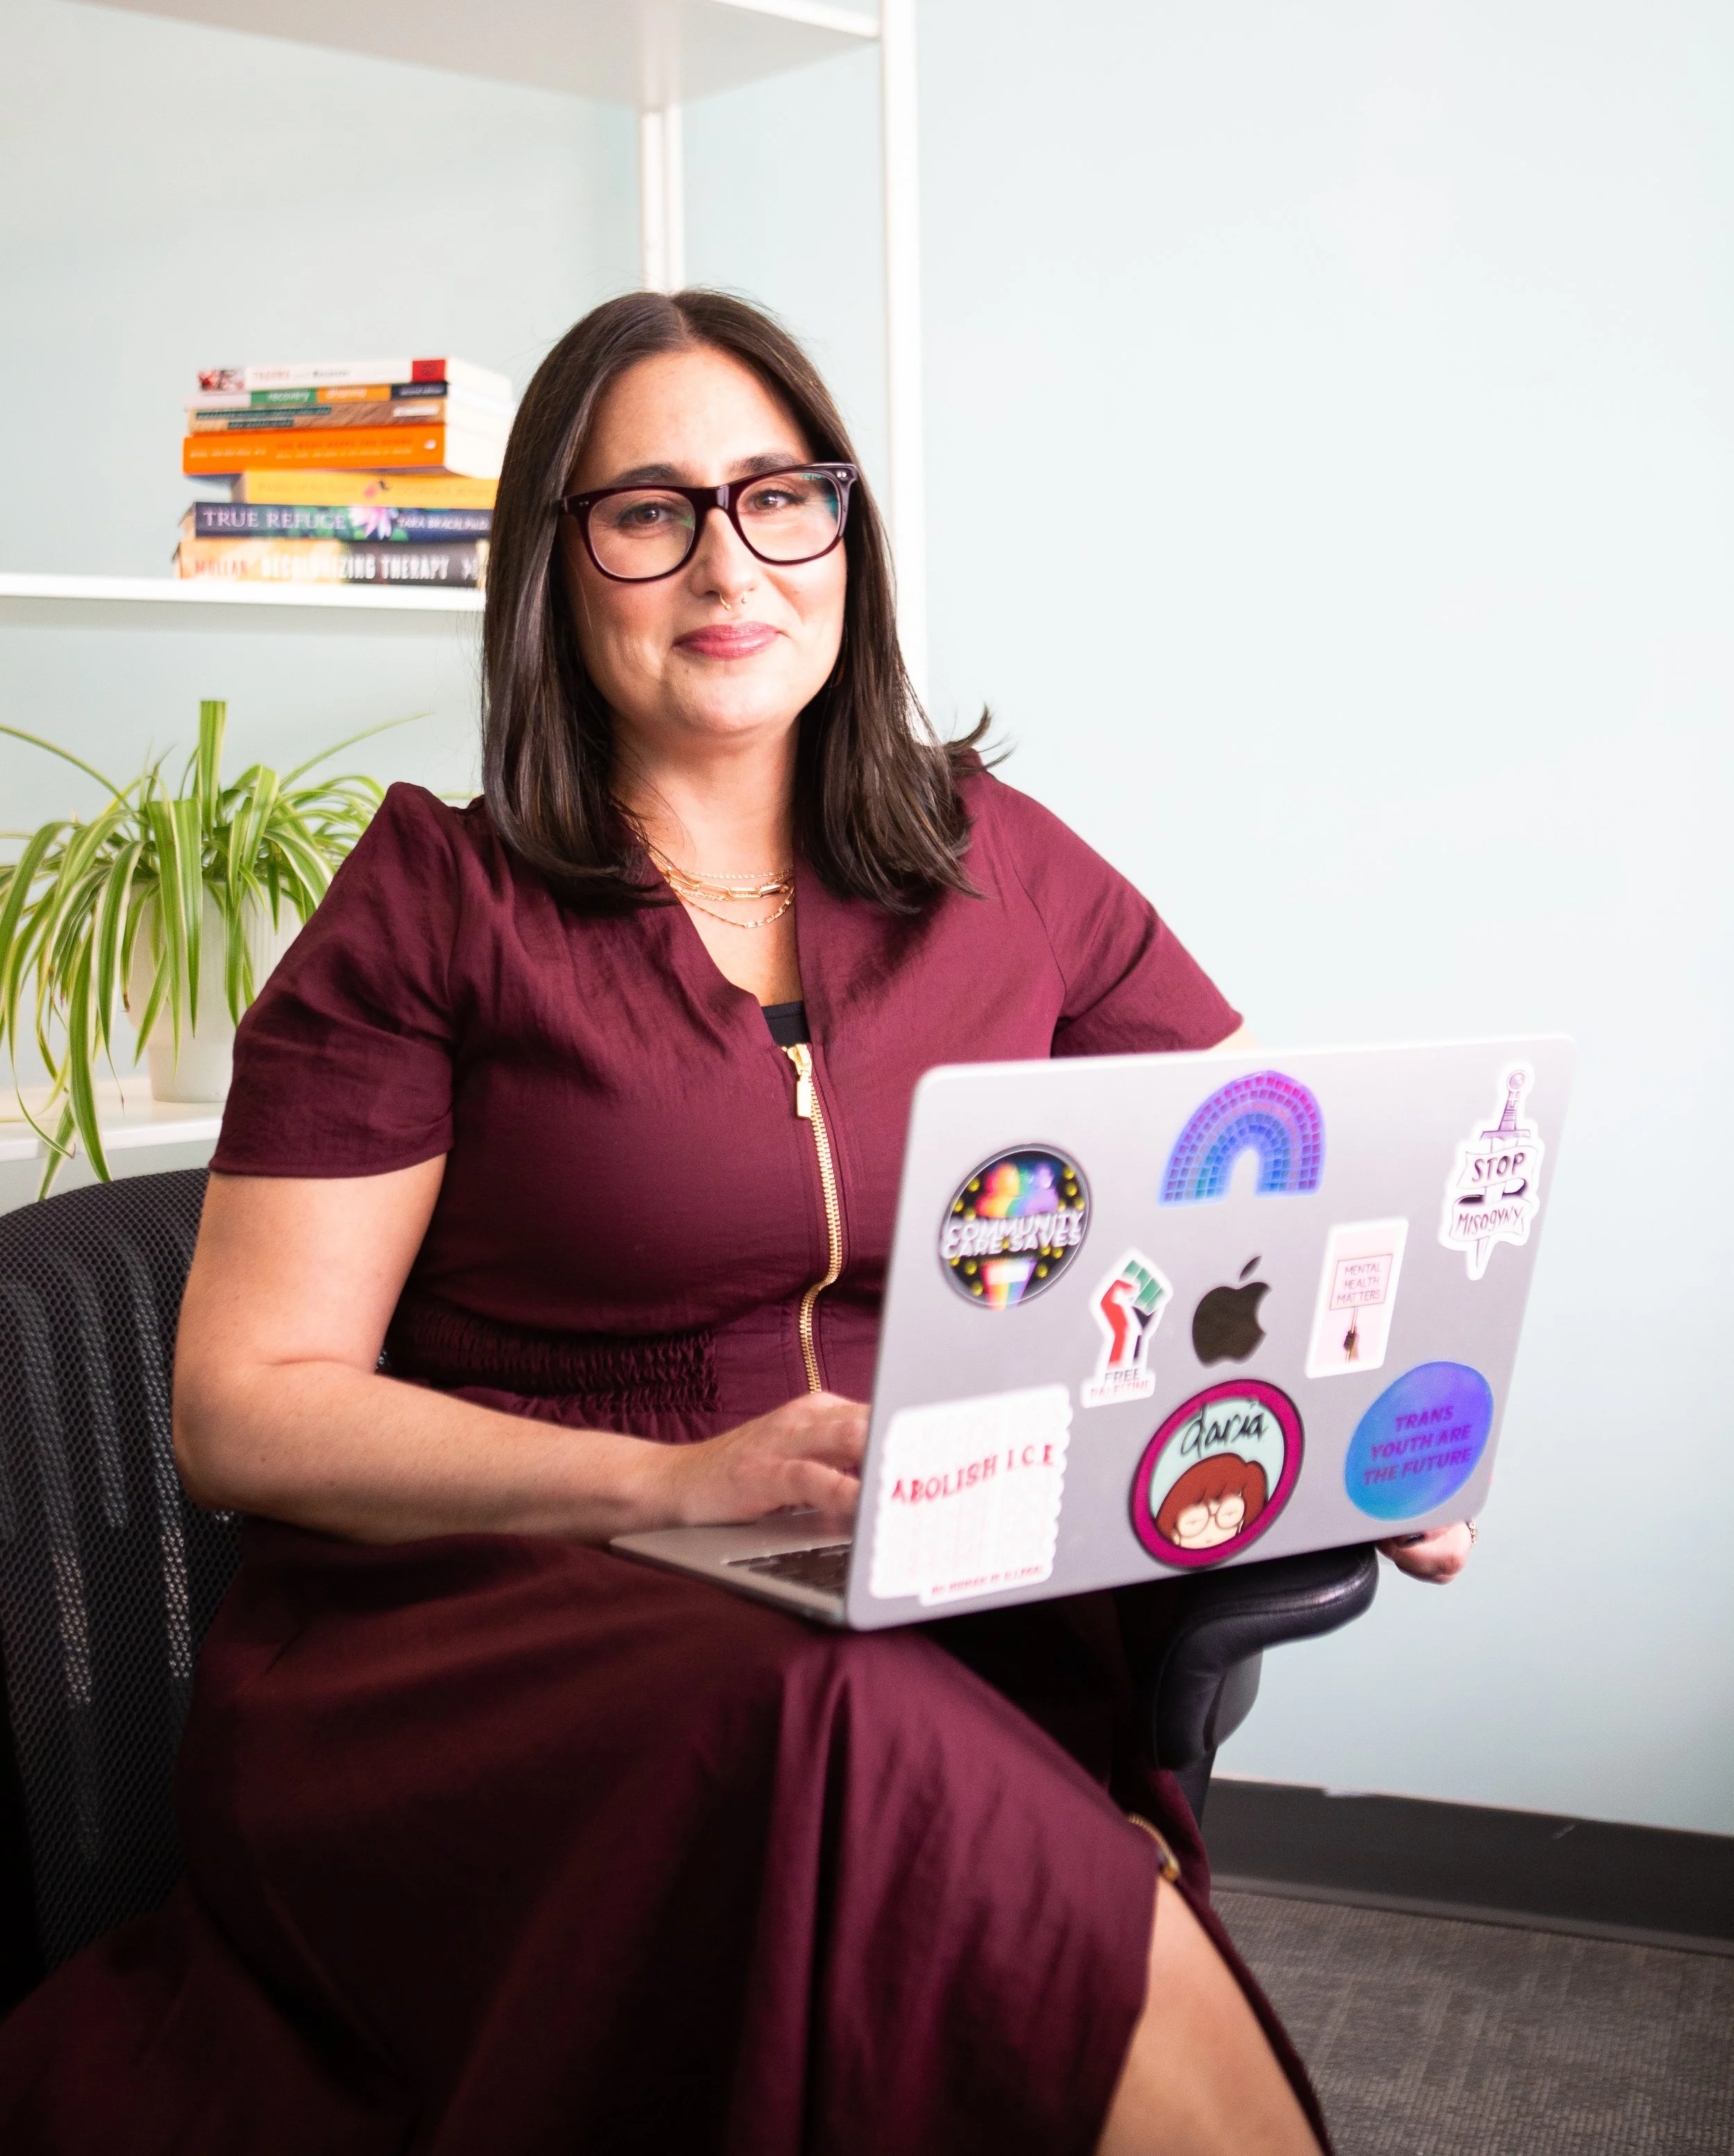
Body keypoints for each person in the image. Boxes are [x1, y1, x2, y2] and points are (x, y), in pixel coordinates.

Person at [0, 291, 1471, 2155]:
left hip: (922, 1596)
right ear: (558, 561)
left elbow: (1277, 1175)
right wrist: (675, 1484)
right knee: (839, 1732)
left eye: (785, 496)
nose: (730, 559)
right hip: (493, 1637)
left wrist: (1374, 1423)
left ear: (845, 538)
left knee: (872, 1722)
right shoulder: (431, 905)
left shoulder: (992, 861)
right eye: (650, 507)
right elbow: (248, 1403)